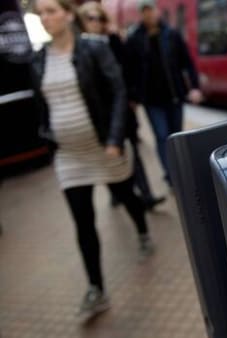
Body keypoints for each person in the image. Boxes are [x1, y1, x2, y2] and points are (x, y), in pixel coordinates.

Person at [32, 0, 154, 316]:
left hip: (104, 147)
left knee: (126, 195)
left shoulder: (94, 48)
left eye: (51, 11)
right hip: (69, 155)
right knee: (83, 221)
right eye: (40, 12)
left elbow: (118, 92)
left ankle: (142, 230)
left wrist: (115, 139)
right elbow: (43, 106)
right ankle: (96, 289)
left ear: (68, 14)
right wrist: (49, 138)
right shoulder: (38, 58)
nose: (45, 18)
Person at [76, 1, 166, 210]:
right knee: (107, 156)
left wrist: (133, 97)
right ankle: (117, 193)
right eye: (90, 18)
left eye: (99, 17)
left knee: (133, 152)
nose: (96, 22)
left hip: (121, 109)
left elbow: (129, 69)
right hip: (97, 115)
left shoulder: (114, 41)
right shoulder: (78, 50)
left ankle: (146, 195)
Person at [125, 0, 202, 185]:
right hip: (152, 101)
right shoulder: (134, 39)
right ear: (140, 14)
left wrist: (194, 87)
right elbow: (130, 71)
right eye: (144, 11)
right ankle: (171, 176)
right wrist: (134, 97)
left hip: (174, 96)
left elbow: (187, 62)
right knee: (162, 136)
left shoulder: (172, 34)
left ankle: (182, 171)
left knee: (177, 136)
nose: (148, 14)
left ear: (157, 11)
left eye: (150, 10)